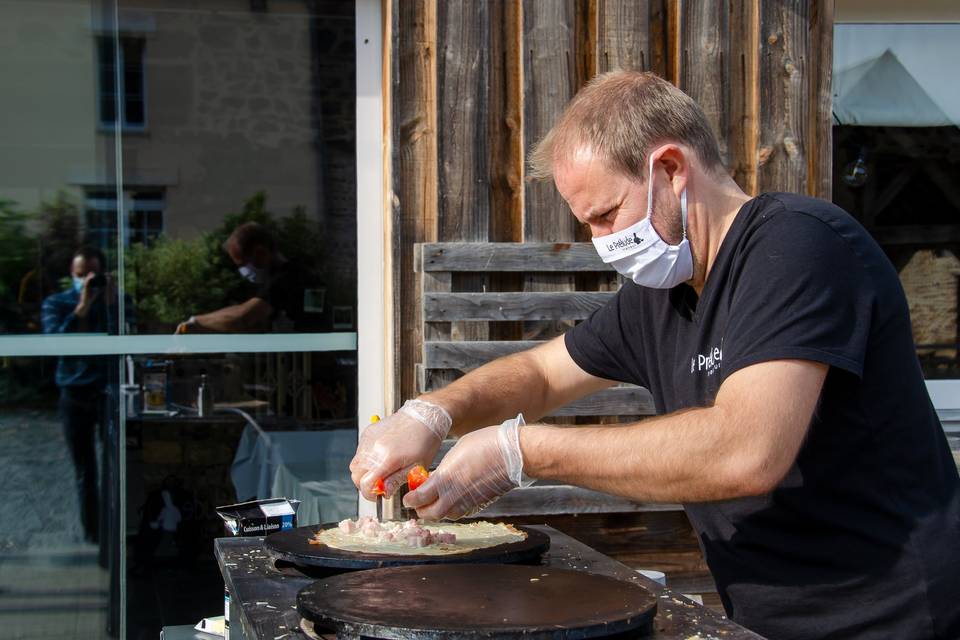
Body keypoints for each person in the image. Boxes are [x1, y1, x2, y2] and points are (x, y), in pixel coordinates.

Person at [350, 71, 960, 639]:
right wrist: (431, 412)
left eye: (607, 214)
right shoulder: (661, 296)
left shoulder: (797, 244)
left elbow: (747, 451)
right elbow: (538, 374)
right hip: (767, 619)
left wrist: (520, 451)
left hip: (895, 616)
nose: (601, 243)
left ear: (669, 168)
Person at [41, 246, 127, 544]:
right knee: (84, 471)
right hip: (74, 394)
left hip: (107, 393)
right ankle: (93, 534)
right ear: (72, 275)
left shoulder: (115, 301)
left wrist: (111, 301)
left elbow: (127, 335)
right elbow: (54, 343)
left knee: (115, 469)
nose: (88, 280)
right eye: (81, 275)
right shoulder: (57, 303)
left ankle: (114, 532)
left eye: (93, 274)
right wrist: (82, 305)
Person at [176, 222, 301, 333]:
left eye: (242, 264)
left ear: (260, 252)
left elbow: (243, 318)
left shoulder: (286, 279)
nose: (243, 271)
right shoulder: (277, 277)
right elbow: (242, 310)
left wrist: (197, 322)